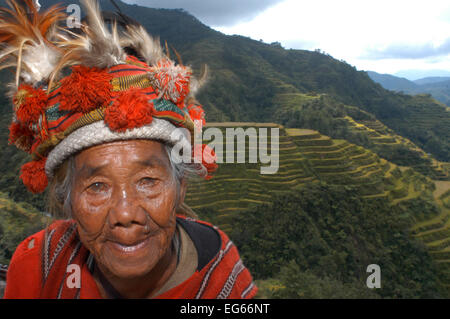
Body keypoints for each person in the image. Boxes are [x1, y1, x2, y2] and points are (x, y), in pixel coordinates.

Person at [1, 0, 257, 299]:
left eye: (148, 180)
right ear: (67, 199)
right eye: (97, 186)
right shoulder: (37, 266)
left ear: (180, 186)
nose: (125, 212)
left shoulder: (220, 281)